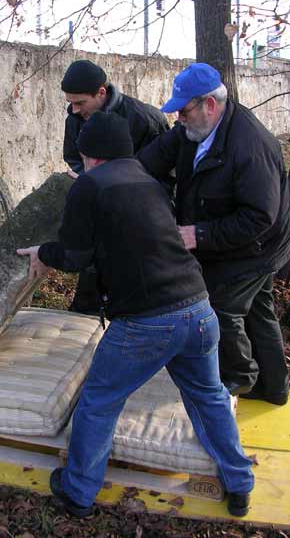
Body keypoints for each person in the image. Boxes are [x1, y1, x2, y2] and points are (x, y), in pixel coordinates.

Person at [17, 111, 254, 519]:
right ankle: (239, 483)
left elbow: (75, 256)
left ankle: (77, 492)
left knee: (98, 401)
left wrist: (43, 253)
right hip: (199, 309)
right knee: (210, 396)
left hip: (147, 322)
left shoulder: (90, 185)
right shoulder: (151, 183)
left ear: (89, 155)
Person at [139, 62, 290, 404]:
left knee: (219, 306)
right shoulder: (195, 129)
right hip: (235, 237)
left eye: (184, 111)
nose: (179, 118)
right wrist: (118, 174)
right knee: (257, 308)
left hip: (258, 244)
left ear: (209, 104)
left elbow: (258, 217)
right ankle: (275, 388)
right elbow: (154, 156)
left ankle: (237, 378)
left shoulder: (250, 147)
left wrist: (198, 235)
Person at [61, 59, 170, 315]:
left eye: (80, 103)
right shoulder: (75, 118)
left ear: (101, 92)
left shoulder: (145, 119)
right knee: (90, 274)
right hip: (99, 212)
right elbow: (73, 156)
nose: (75, 110)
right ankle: (84, 316)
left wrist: (111, 184)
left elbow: (164, 171)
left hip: (140, 217)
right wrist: (88, 179)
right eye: (71, 103)